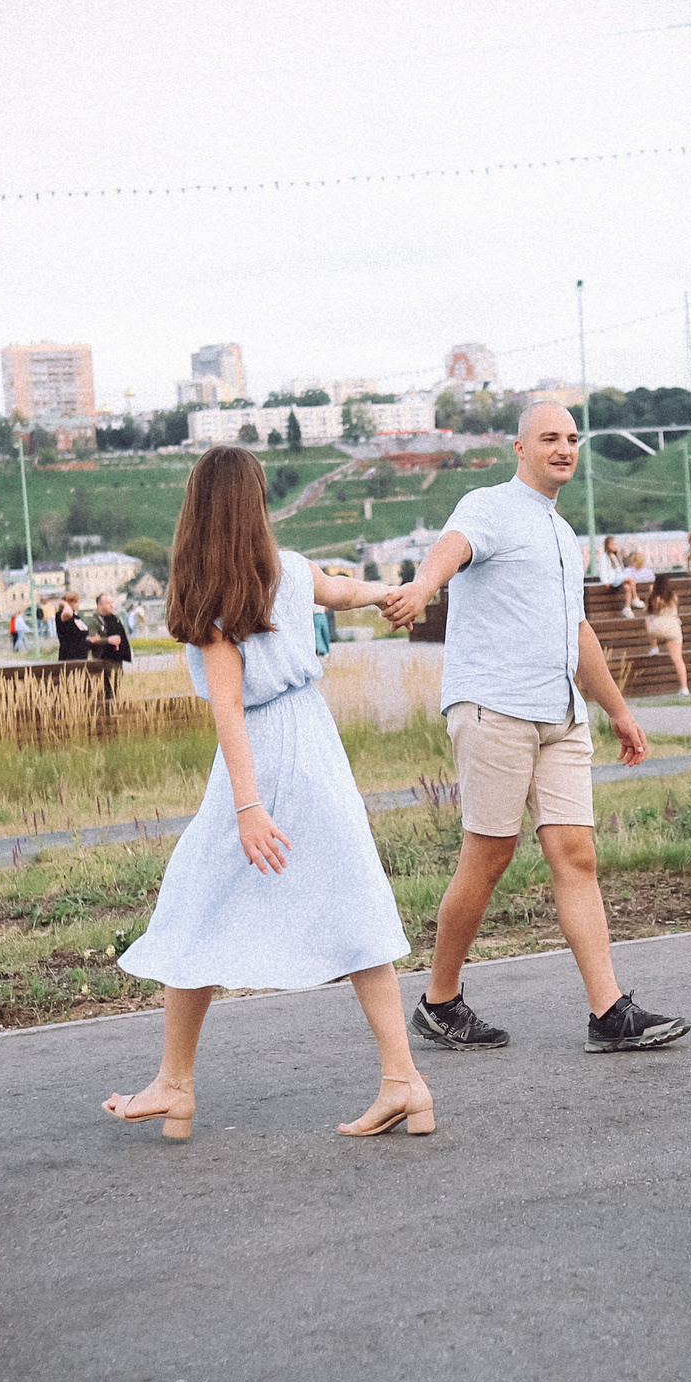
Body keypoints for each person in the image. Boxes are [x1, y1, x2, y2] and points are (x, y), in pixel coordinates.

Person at [106, 446, 431, 1142]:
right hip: (314, 741)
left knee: (196, 896)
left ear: (196, 511)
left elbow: (228, 708)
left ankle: (175, 1082)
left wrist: (249, 805)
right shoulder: (283, 571)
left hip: (259, 753)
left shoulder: (216, 594)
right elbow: (340, 588)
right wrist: (387, 594)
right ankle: (404, 1079)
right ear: (253, 505)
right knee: (351, 895)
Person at [377, 403, 689, 1054]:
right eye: (550, 437)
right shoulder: (489, 504)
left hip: (560, 712)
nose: (564, 448)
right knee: (488, 856)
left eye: (572, 438)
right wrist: (424, 585)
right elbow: (450, 550)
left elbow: (577, 634)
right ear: (519, 446)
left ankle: (609, 1012)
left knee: (577, 855)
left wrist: (619, 710)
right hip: (494, 706)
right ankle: (440, 1001)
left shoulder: (562, 534)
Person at [644, 581, 687, 693]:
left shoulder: (656, 598)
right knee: (678, 659)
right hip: (674, 627)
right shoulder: (674, 597)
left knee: (648, 619)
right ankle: (684, 688)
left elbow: (649, 610)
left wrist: (650, 593)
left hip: (659, 627)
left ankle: (654, 647)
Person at [88, 592, 133, 699]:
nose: (111, 605)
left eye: (111, 602)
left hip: (118, 659)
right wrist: (108, 640)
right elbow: (92, 639)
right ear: (99, 605)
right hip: (104, 659)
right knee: (108, 691)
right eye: (108, 603)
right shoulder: (95, 621)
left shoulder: (115, 618)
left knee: (117, 689)